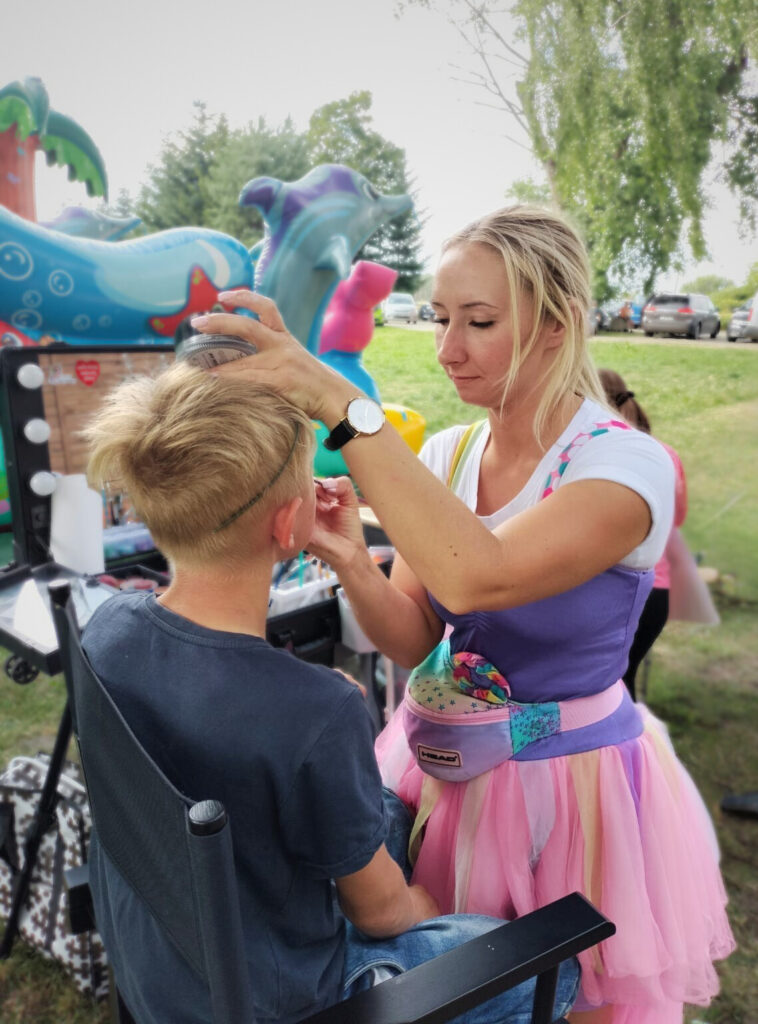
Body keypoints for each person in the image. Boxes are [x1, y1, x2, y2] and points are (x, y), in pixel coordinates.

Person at [189, 204, 735, 1024]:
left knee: (574, 995)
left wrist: (335, 396)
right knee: (461, 989)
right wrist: (346, 558)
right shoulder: (445, 454)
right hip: (445, 776)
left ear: (556, 326)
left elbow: (482, 576)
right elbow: (414, 633)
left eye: (478, 322)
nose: (446, 350)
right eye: (441, 318)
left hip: (573, 792)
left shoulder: (624, 467)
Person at [80, 361, 579, 1024]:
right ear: (289, 527)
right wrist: (434, 916)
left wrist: (313, 710)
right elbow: (383, 913)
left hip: (167, 968)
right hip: (289, 999)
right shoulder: (315, 711)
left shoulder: (106, 628)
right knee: (558, 966)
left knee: (386, 812)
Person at [597, 368, 688, 700]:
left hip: (616, 591)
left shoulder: (600, 456)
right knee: (623, 683)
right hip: (656, 592)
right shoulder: (666, 454)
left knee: (605, 692)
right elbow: (676, 517)